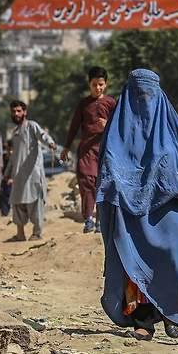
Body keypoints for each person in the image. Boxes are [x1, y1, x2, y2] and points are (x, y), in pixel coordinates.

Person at [96, 69, 178, 341]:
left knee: (171, 258)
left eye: (149, 94)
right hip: (129, 214)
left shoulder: (170, 127)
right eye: (138, 95)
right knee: (133, 264)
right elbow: (108, 164)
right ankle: (143, 321)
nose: (144, 101)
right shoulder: (116, 129)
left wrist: (161, 177)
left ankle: (171, 314)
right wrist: (122, 182)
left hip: (166, 212)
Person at [61, 66, 116, 233]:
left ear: (105, 84)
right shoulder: (84, 104)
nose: (97, 88)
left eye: (100, 84)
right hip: (86, 150)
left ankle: (101, 221)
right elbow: (74, 126)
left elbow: (121, 127)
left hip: (105, 150)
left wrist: (108, 125)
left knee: (102, 183)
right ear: (89, 84)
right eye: (94, 84)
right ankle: (89, 219)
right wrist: (66, 147)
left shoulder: (111, 103)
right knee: (86, 182)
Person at [4, 100, 56, 242]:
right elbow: (14, 157)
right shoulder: (14, 132)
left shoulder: (32, 126)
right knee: (17, 203)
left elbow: (43, 135)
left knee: (35, 203)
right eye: (14, 111)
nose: (16, 114)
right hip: (18, 176)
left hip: (33, 174)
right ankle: (20, 234)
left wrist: (50, 143)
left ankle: (37, 233)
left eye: (19, 111)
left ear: (25, 112)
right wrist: (7, 173)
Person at [0, 140, 13, 217]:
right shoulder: (4, 158)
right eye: (8, 149)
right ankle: (4, 214)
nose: (10, 151)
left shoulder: (18, 159)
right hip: (5, 181)